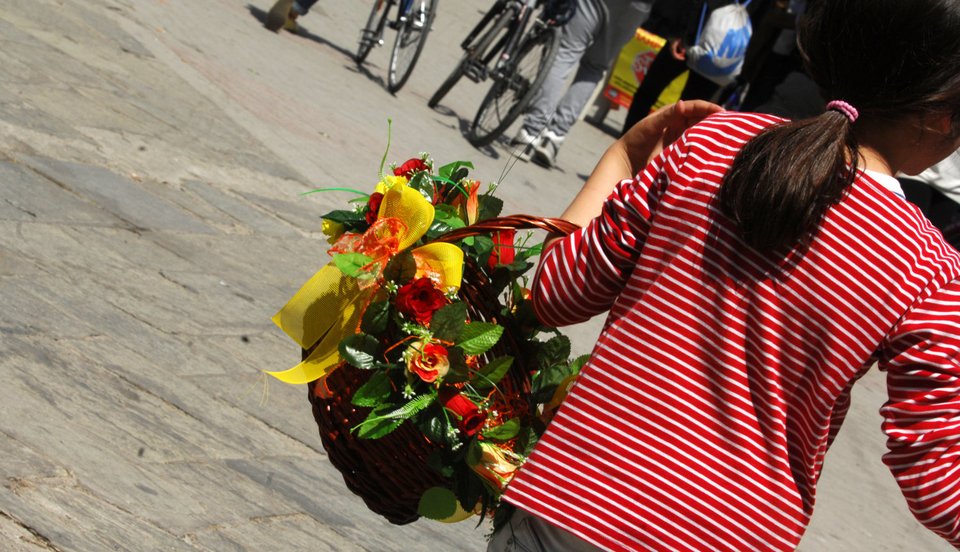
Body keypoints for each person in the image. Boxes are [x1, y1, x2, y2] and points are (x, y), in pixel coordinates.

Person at [489, 0, 960, 550]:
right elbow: (936, 474)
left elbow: (554, 294)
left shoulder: (712, 144)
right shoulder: (926, 263)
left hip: (576, 496)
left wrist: (622, 154)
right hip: (727, 531)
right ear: (939, 113)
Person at [511, 0, 655, 168]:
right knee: (595, 67)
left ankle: (530, 134)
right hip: (636, 6)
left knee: (564, 53)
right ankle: (553, 138)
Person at [620, 0, 769, 134]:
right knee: (687, 112)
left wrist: (680, 33)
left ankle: (637, 143)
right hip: (713, 50)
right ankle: (654, 150)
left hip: (693, 37)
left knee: (659, 98)